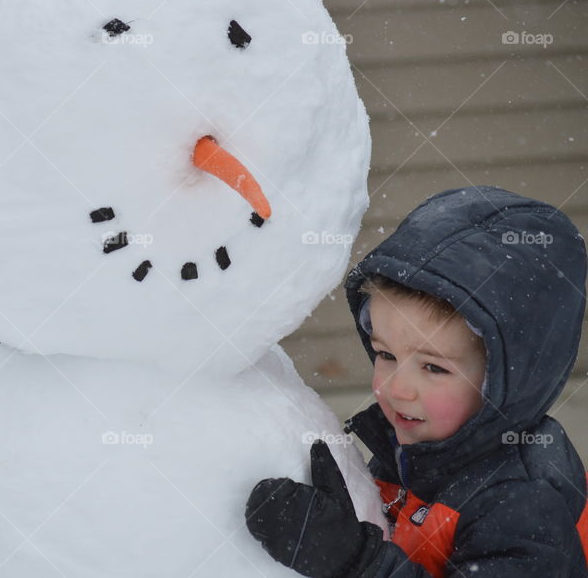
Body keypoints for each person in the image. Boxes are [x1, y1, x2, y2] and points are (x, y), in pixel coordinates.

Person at [245, 186, 588, 577]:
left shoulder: (521, 503)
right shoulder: (415, 451)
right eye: (386, 355)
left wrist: (352, 561)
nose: (397, 389)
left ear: (508, 381)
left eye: (434, 368)